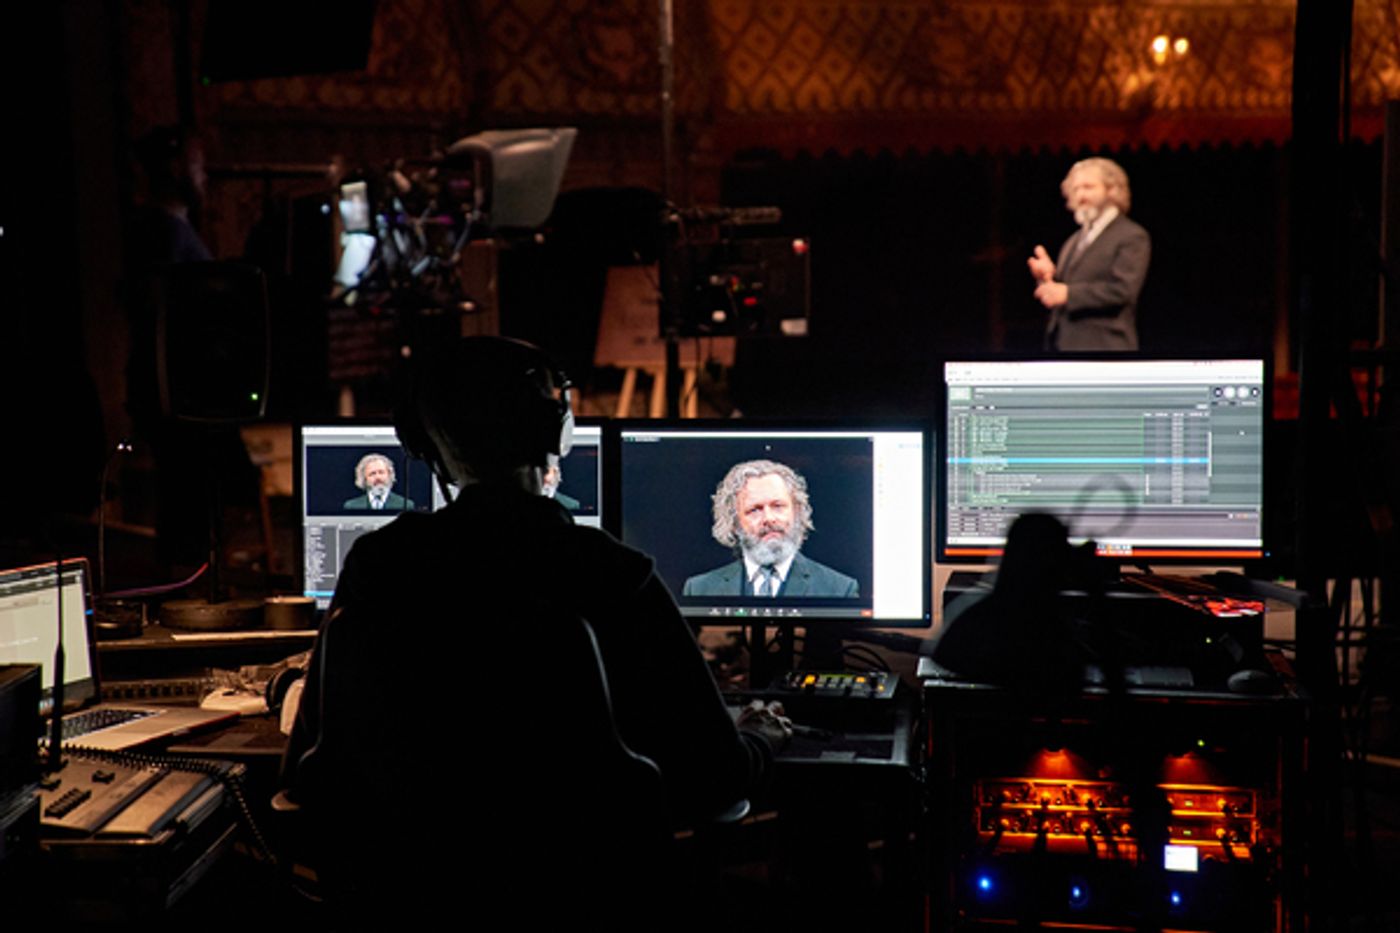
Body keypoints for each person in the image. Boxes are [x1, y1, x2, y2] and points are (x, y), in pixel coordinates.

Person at [281, 337, 785, 924]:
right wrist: (760, 737)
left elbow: (308, 769)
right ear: (556, 434)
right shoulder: (612, 574)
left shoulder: (378, 567)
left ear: (422, 446)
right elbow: (715, 778)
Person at [683, 459, 858, 598]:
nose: (769, 518)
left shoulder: (840, 589)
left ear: (797, 512)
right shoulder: (699, 589)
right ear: (734, 524)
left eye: (778, 506)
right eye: (755, 510)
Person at [1027, 157, 1150, 351]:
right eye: (1075, 189)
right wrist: (1048, 279)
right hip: (1066, 349)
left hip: (1106, 350)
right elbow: (1063, 291)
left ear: (1112, 190)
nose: (1080, 195)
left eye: (1088, 187)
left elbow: (1123, 290)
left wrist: (1068, 294)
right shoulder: (1074, 240)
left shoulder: (1131, 236)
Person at [341, 452, 415, 510]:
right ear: (364, 478)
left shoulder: (406, 505)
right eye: (372, 474)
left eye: (381, 472)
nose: (378, 477)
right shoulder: (352, 506)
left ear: (389, 475)